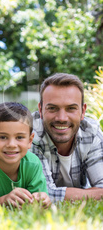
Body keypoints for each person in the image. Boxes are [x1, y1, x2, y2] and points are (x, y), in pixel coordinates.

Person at [31, 73, 103, 202]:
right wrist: (94, 194)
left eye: (71, 108)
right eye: (52, 108)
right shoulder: (29, 134)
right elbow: (43, 193)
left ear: (83, 111)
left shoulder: (91, 133)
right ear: (40, 110)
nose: (62, 118)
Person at [0, 102, 51, 208]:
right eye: (3, 137)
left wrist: (42, 199)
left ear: (30, 141)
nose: (11, 145)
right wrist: (4, 200)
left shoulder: (33, 164)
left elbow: (38, 200)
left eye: (19, 137)